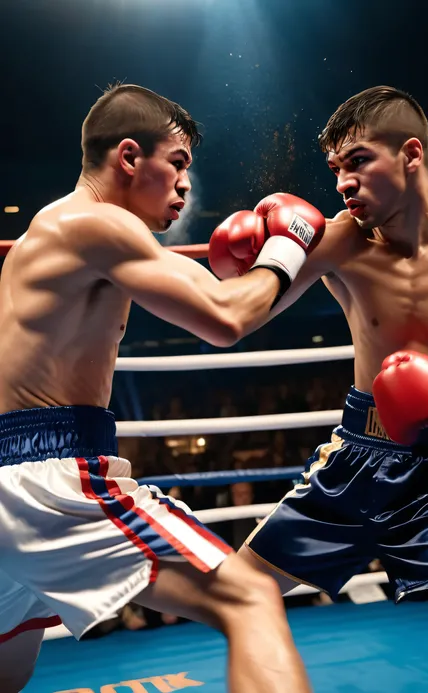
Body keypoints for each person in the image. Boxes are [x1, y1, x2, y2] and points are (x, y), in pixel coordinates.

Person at [0, 83, 327, 693]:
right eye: (176, 164)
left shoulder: (60, 229)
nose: (183, 186)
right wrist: (289, 246)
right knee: (250, 597)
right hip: (46, 476)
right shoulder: (95, 225)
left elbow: (229, 300)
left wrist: (280, 269)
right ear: (128, 157)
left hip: (10, 472)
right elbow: (226, 317)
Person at [211, 85, 428, 644]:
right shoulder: (340, 243)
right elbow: (240, 313)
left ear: (411, 154)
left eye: (358, 162)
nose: (343, 183)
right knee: (234, 592)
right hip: (357, 458)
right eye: (334, 169)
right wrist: (248, 262)